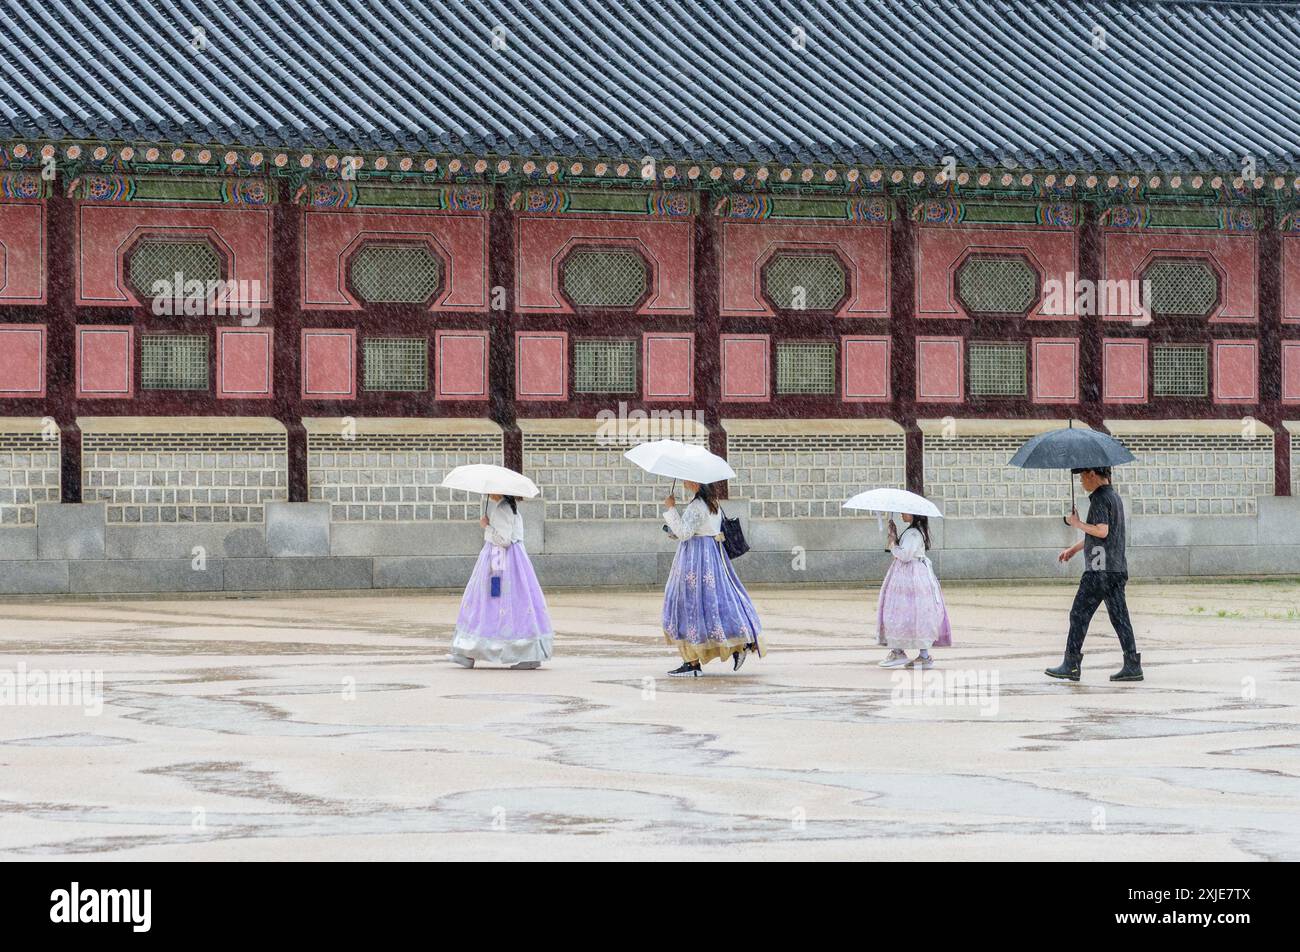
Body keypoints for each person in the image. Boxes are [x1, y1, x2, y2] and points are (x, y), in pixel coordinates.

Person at [1046, 467, 1143, 682]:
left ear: (1092, 474)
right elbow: (1104, 534)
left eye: (1082, 477)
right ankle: (1132, 664)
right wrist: (1074, 549)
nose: (1081, 482)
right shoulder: (1114, 496)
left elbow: (1101, 531)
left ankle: (1071, 664)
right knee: (1120, 618)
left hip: (1099, 570)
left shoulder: (1099, 498)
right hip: (1116, 568)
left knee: (1078, 614)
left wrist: (1076, 523)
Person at [661, 480, 762, 678]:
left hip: (695, 560)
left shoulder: (697, 506)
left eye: (686, 479)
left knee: (688, 605)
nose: (683, 482)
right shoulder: (712, 502)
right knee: (715, 602)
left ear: (695, 482)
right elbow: (697, 530)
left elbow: (684, 533)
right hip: (712, 557)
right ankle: (738, 645)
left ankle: (692, 663)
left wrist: (671, 509)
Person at [449, 494, 553, 669]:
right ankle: (527, 652)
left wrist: (487, 527)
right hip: (509, 560)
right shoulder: (510, 508)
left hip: (500, 560)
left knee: (485, 604)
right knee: (514, 604)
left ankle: (468, 651)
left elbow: (503, 540)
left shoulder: (503, 509)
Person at [876, 513, 952, 668]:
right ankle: (911, 653)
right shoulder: (913, 531)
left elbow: (904, 555)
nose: (902, 514)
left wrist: (892, 542)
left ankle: (903, 652)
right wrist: (894, 535)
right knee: (914, 612)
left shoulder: (913, 533)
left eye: (905, 512)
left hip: (910, 577)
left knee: (904, 611)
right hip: (910, 575)